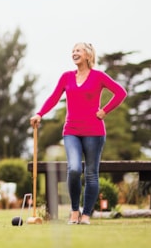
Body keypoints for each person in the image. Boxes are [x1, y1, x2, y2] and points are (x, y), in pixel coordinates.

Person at [30, 42, 127, 225]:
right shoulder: (66, 77)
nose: (74, 53)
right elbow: (54, 97)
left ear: (88, 55)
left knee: (91, 174)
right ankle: (75, 211)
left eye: (78, 50)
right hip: (71, 131)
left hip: (94, 132)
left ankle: (87, 215)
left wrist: (105, 111)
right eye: (73, 51)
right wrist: (39, 113)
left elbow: (121, 93)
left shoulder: (98, 76)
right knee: (74, 169)